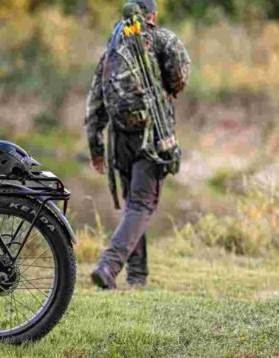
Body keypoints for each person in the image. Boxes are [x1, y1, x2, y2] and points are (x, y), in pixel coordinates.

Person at [84, 0, 190, 289]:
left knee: (134, 205)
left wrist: (95, 148)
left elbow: (95, 100)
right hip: (152, 135)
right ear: (153, 15)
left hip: (119, 139)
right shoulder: (164, 40)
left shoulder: (113, 47)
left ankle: (137, 277)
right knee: (142, 205)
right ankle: (108, 266)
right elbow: (180, 80)